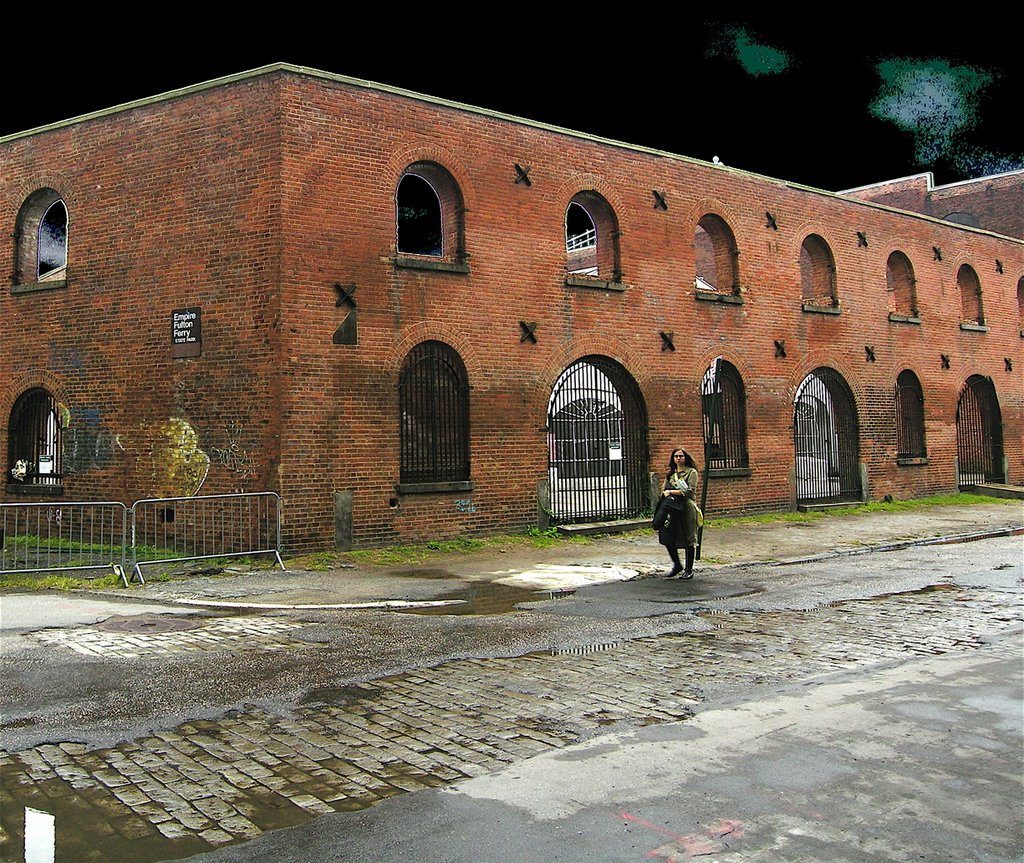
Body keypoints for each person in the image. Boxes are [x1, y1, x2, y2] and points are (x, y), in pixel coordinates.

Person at [658, 447, 699, 579]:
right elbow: (663, 490)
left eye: (681, 456)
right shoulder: (670, 474)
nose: (679, 458)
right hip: (672, 507)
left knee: (689, 537)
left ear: (685, 457)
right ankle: (677, 564)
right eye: (676, 456)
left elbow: (690, 491)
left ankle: (689, 569)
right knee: (668, 536)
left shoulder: (691, 472)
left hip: (686, 507)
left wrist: (672, 492)